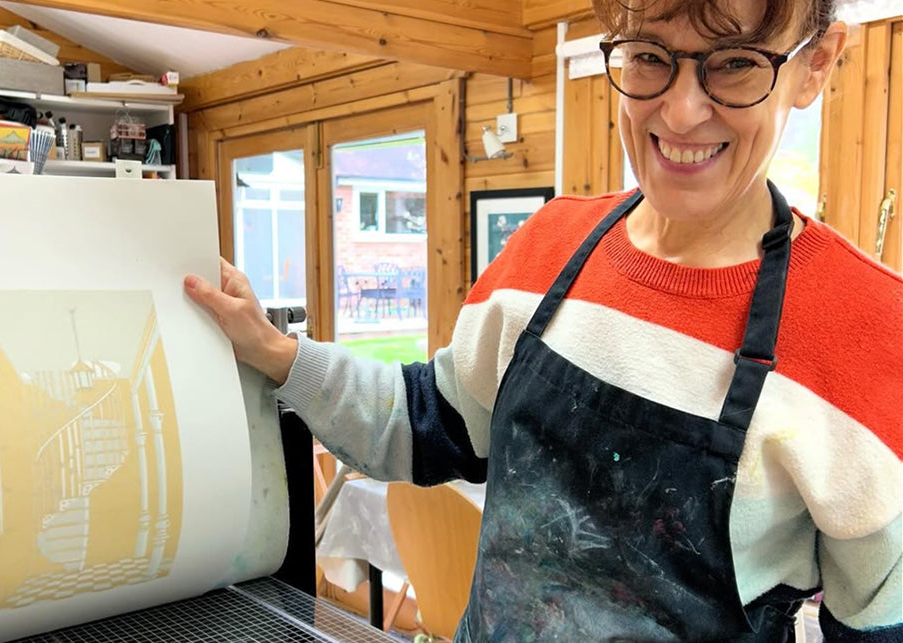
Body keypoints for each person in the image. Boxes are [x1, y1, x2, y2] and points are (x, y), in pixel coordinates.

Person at [183, 0, 902, 639]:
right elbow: (425, 420)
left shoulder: (871, 330)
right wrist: (277, 352)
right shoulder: (548, 246)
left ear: (815, 65)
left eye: (737, 64)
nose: (681, 111)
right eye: (650, 55)